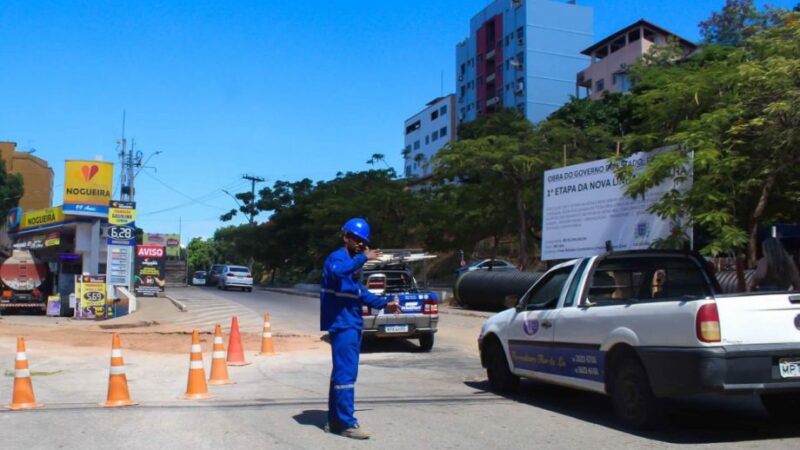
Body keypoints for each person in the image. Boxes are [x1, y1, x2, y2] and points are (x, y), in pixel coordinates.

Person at [320, 218, 399, 440]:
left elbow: (360, 293)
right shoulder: (337, 259)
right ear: (345, 237)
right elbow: (337, 272)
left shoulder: (351, 266)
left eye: (363, 241)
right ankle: (347, 423)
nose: (360, 244)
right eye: (355, 239)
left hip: (352, 324)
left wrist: (385, 304)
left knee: (340, 374)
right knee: (346, 374)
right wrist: (363, 258)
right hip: (343, 325)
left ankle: (335, 420)